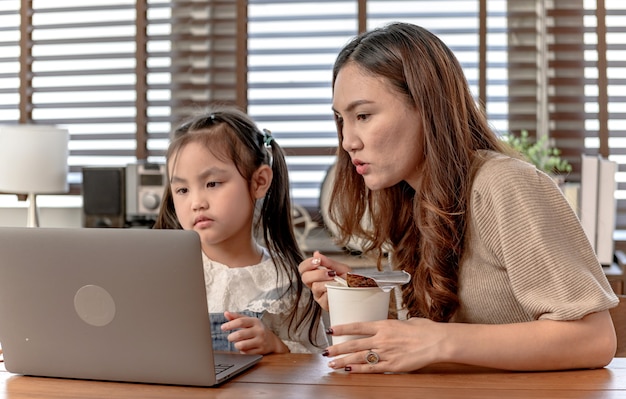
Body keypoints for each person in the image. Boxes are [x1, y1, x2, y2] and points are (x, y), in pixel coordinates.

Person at [299, 22, 619, 373]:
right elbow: (439, 337)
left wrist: (438, 340)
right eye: (341, 120)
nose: (347, 141)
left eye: (363, 115)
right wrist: (360, 294)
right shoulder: (410, 199)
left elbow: (595, 339)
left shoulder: (504, 185)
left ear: (427, 105)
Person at [154, 105, 327, 354]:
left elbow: (318, 364)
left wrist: (276, 346)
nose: (196, 202)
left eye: (212, 183)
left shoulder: (287, 282)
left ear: (259, 182)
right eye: (182, 190)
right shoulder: (165, 274)